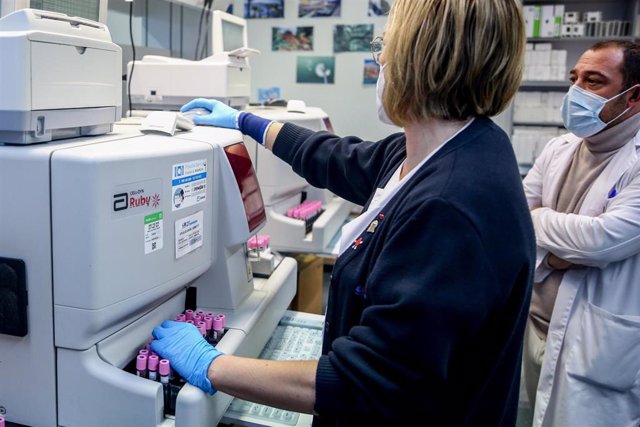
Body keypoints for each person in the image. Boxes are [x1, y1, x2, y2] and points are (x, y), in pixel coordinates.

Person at [151, 1, 536, 425]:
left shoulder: (450, 205)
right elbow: (339, 158)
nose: (381, 62)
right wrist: (248, 122)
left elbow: (366, 381)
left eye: (383, 48)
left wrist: (212, 365)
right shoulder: (455, 147)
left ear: (418, 57)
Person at [522, 40, 640, 427]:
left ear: (633, 96)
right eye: (574, 79)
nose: (576, 92)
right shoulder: (560, 148)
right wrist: (554, 255)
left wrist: (537, 222)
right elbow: (513, 217)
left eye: (594, 81)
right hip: (534, 327)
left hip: (594, 342)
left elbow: (601, 240)